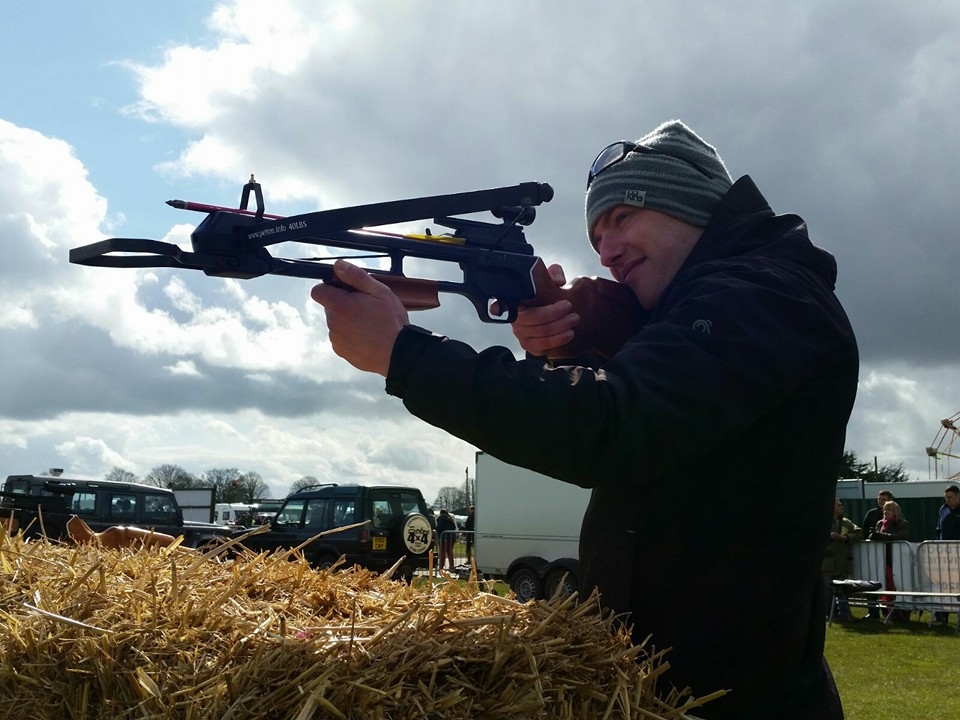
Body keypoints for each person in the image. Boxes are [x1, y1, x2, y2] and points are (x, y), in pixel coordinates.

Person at [312, 119, 859, 720]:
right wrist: (569, 350)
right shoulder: (717, 303)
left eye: (623, 217)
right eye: (597, 234)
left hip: (739, 701)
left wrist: (407, 357)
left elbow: (614, 425)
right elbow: (656, 410)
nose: (606, 250)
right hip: (668, 692)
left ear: (693, 204)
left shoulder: (767, 295)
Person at [868, 500, 910, 621]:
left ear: (895, 512)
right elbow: (873, 536)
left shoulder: (902, 523)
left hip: (896, 558)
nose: (885, 512)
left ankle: (899, 612)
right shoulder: (880, 523)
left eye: (889, 510)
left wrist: (882, 536)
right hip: (882, 557)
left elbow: (902, 536)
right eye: (884, 510)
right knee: (884, 584)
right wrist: (873, 535)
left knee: (895, 584)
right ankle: (886, 610)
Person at [822, 499, 862, 620]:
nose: (842, 507)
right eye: (839, 505)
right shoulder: (823, 521)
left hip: (842, 562)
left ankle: (845, 614)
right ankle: (830, 614)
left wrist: (846, 537)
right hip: (827, 562)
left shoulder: (846, 522)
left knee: (843, 590)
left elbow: (859, 533)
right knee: (828, 591)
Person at [859, 489, 893, 620]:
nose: (881, 502)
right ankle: (872, 610)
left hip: (890, 555)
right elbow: (864, 532)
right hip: (873, 554)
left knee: (889, 583)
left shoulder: (896, 514)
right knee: (871, 582)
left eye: (884, 499)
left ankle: (889, 611)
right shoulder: (871, 514)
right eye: (879, 499)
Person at [933, 485, 960, 623]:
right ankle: (942, 614)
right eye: (946, 497)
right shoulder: (943, 509)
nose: (947, 500)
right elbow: (938, 529)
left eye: (950, 497)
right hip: (945, 554)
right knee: (944, 583)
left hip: (958, 552)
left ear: (958, 496)